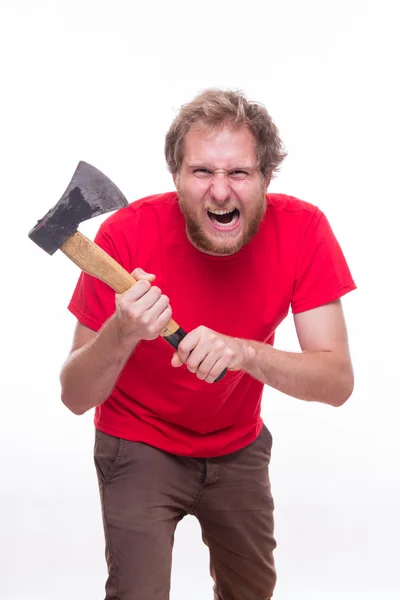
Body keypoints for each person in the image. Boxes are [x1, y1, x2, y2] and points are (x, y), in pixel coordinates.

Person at [61, 88, 356, 600]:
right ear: (175, 176)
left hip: (237, 443)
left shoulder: (304, 229)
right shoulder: (124, 236)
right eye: (202, 172)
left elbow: (336, 382)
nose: (221, 191)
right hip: (139, 441)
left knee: (252, 592)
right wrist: (123, 331)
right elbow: (74, 394)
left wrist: (245, 352)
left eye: (238, 173)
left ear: (266, 177)